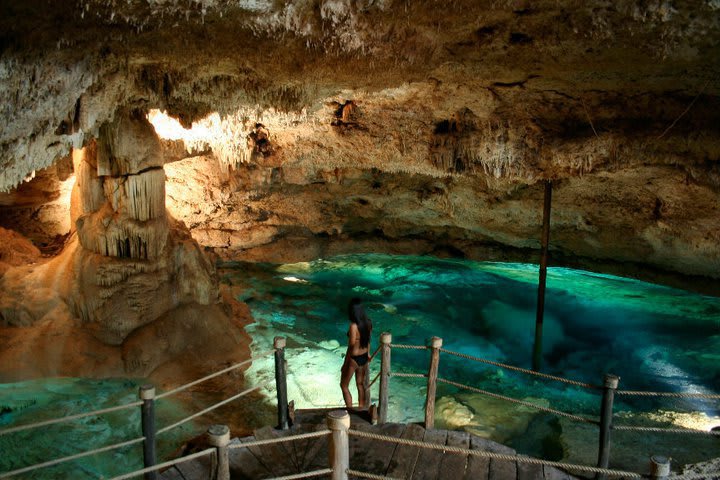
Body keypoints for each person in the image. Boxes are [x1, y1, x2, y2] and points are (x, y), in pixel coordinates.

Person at [340, 297, 373, 410]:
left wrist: (345, 364)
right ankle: (361, 409)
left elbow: (351, 346)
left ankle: (350, 411)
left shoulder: (353, 326)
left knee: (344, 386)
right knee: (360, 385)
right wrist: (368, 354)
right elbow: (368, 340)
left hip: (354, 358)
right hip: (363, 358)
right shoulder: (368, 323)